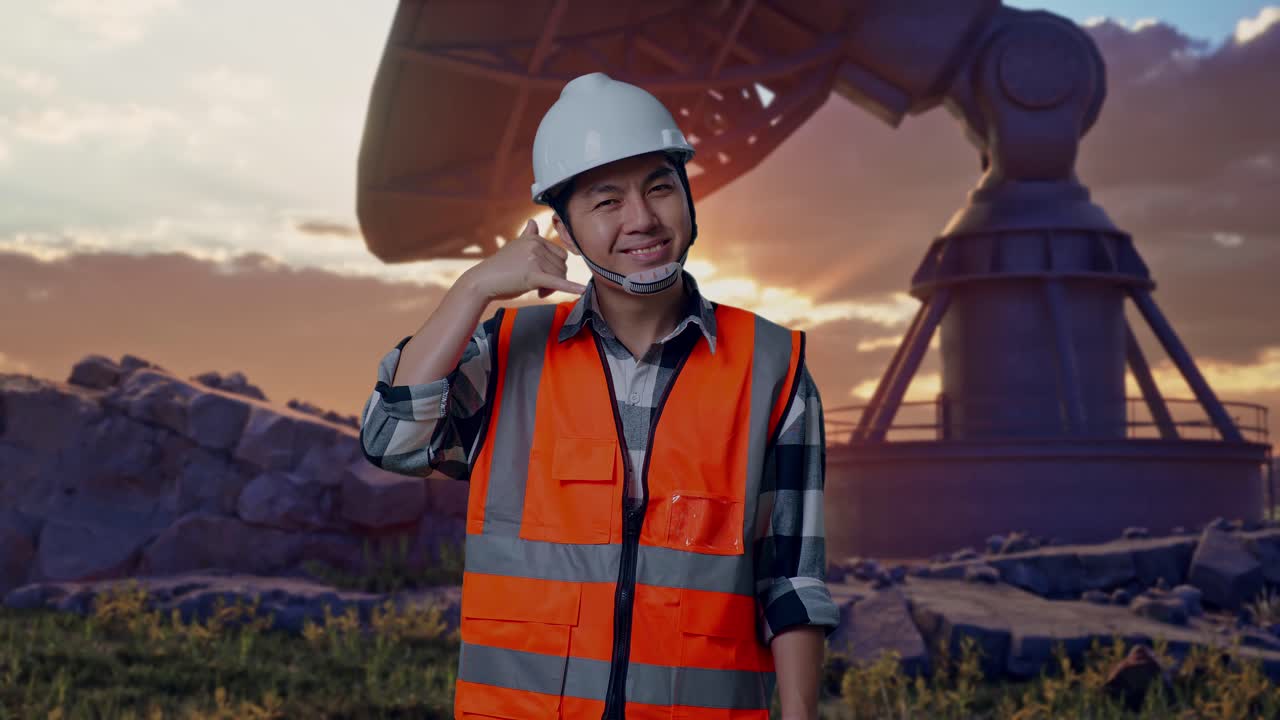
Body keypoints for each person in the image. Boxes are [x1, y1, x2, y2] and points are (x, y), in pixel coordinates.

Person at [360, 72, 838, 719]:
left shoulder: (773, 367)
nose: (642, 219)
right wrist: (473, 289)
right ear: (562, 228)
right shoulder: (505, 354)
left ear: (690, 198)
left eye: (660, 188)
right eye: (606, 202)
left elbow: (792, 579)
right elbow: (392, 440)